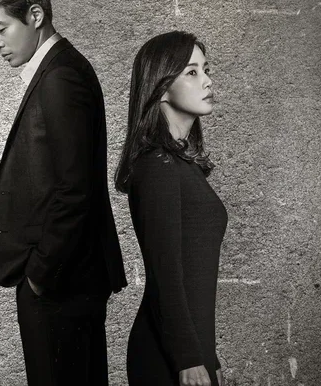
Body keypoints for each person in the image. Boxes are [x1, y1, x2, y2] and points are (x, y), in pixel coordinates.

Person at [0, 0, 127, 385]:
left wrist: (39, 274)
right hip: (64, 281)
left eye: (0, 28)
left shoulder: (61, 79)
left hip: (61, 284)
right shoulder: (59, 70)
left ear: (35, 15)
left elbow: (75, 189)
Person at [115, 31, 227, 386]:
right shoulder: (157, 165)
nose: (207, 80)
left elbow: (194, 275)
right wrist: (189, 358)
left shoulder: (180, 164)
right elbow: (166, 272)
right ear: (161, 88)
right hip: (168, 358)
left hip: (189, 350)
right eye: (191, 72)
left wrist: (207, 354)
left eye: (206, 69)